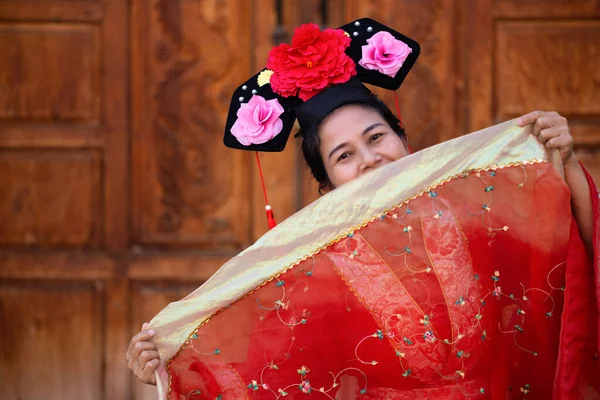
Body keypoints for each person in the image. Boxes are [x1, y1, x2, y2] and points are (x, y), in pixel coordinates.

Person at [127, 18, 599, 398]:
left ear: (404, 141)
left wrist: (560, 160)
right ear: (328, 186)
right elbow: (252, 372)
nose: (370, 159)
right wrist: (168, 362)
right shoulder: (312, 274)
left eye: (377, 138)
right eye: (344, 155)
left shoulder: (476, 217)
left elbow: (573, 256)